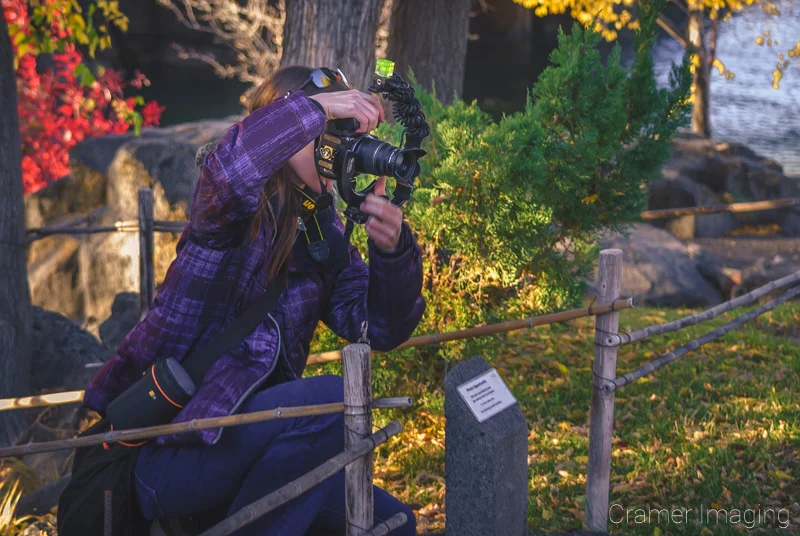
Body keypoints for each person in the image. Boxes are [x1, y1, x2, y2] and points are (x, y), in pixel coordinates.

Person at [81, 65, 426, 535]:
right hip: (169, 452)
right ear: (286, 133)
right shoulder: (227, 214)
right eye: (329, 133)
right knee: (332, 400)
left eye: (344, 135)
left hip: (251, 450)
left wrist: (393, 254)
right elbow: (232, 171)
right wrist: (318, 106)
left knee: (395, 522)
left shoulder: (323, 231)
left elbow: (378, 327)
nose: (338, 147)